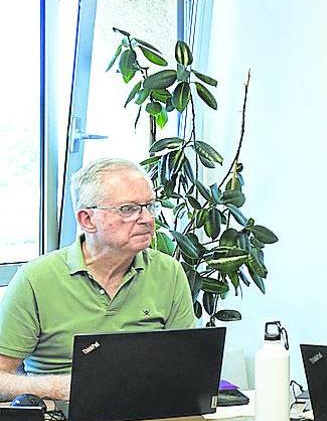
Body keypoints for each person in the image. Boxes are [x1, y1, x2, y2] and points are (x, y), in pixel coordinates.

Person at [0, 157, 194, 402]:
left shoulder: (169, 272)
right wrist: (59, 387)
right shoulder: (34, 280)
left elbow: (186, 367)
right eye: (129, 209)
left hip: (146, 416)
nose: (146, 219)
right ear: (87, 220)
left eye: (150, 206)